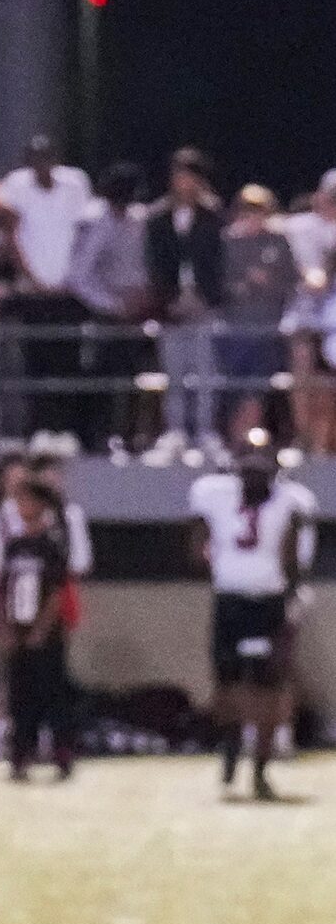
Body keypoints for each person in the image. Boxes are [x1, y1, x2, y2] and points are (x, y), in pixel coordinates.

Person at [190, 437, 318, 799]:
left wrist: (291, 601)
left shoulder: (291, 502)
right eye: (248, 472)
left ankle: (259, 767)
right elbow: (197, 542)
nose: (254, 481)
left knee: (269, 685)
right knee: (227, 680)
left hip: (268, 602)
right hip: (233, 599)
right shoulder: (215, 494)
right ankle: (231, 746)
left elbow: (293, 557)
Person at [0, 135, 95, 439]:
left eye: (47, 159)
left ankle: (69, 430)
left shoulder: (76, 183)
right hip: (34, 293)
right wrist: (33, 280)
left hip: (69, 291)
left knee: (71, 361)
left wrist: (73, 277)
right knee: (35, 362)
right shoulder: (16, 185)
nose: (42, 166)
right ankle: (39, 429)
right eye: (36, 160)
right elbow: (11, 235)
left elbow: (83, 231)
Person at [66, 162, 155, 452]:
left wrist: (144, 295)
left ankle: (132, 437)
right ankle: (96, 438)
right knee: (100, 379)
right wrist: (113, 304)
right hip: (103, 314)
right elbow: (79, 276)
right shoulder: (94, 221)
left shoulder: (139, 218)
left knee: (139, 379)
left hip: (138, 311)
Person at [147, 148, 231, 455]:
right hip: (170, 305)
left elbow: (220, 263)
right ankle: (175, 430)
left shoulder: (213, 216)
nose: (184, 183)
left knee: (207, 370)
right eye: (179, 176)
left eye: (190, 177)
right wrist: (167, 299)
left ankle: (206, 431)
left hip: (205, 302)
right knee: (174, 371)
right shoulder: (158, 217)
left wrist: (205, 295)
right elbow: (154, 262)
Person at [0, 478, 77, 781]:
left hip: (47, 635)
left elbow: (58, 591)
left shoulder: (51, 545)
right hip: (19, 630)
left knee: (53, 693)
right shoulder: (15, 546)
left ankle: (61, 754)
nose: (21, 508)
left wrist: (42, 629)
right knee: (20, 696)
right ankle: (20, 754)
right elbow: (4, 590)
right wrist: (7, 628)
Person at [220, 186, 299, 444]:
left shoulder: (278, 241)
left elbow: (291, 280)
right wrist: (245, 284)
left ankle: (246, 441)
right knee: (233, 388)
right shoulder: (228, 241)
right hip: (235, 329)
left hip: (268, 328)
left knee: (258, 389)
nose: (253, 216)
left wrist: (269, 282)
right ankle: (233, 442)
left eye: (259, 210)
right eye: (248, 210)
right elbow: (220, 282)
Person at [275, 170, 336, 454]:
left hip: (332, 321)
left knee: (327, 388)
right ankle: (304, 439)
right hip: (304, 317)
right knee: (303, 379)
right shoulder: (299, 226)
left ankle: (323, 446)